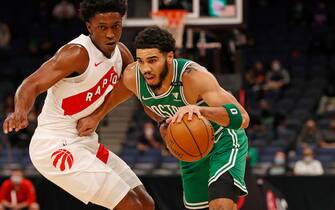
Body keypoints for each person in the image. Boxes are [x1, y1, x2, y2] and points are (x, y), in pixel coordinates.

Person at [2, 0, 154, 209]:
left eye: (116, 26)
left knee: (146, 204)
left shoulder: (122, 54)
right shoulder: (77, 53)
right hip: (54, 144)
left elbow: (133, 86)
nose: (110, 34)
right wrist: (19, 111)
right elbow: (31, 84)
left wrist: (97, 116)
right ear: (89, 26)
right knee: (132, 206)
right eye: (102, 27)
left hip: (86, 142)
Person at [77, 26, 250, 210]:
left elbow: (243, 117)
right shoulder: (134, 77)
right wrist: (97, 116)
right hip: (192, 151)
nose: (146, 68)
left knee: (221, 206)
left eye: (152, 61)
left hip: (223, 140)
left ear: (169, 57)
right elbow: (131, 96)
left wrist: (202, 112)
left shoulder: (193, 76)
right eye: (141, 61)